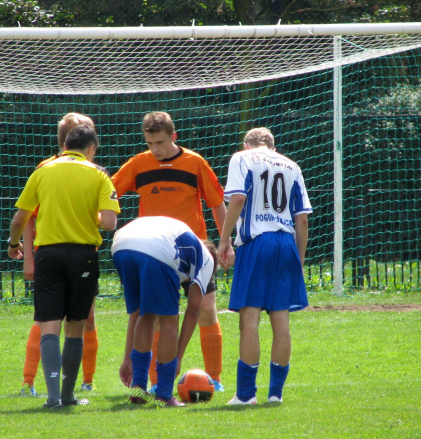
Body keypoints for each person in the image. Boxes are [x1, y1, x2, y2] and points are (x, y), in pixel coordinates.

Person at [111, 111, 228, 393]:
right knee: (153, 316)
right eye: (150, 143)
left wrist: (226, 243)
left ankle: (214, 379)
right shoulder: (138, 164)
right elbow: (109, 193)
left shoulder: (195, 162)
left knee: (206, 311)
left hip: (193, 252)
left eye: (160, 143)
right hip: (155, 254)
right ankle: (155, 382)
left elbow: (216, 203)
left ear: (174, 137)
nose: (155, 149)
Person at [8, 124, 119, 408]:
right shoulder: (98, 175)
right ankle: (69, 395)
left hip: (47, 255)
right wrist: (87, 213)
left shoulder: (43, 170)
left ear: (65, 144)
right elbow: (109, 223)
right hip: (82, 255)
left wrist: (14, 244)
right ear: (91, 149)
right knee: (75, 327)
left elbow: (20, 218)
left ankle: (53, 397)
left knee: (49, 327)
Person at [217, 127, 312, 405]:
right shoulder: (292, 165)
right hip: (286, 243)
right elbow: (302, 219)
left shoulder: (242, 158)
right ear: (273, 145)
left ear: (247, 145)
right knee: (280, 320)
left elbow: (237, 198)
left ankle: (246, 395)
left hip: (257, 243)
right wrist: (299, 260)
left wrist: (224, 241)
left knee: (250, 319)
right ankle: (276, 394)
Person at [20, 113, 101, 397]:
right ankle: (31, 382)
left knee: (80, 317)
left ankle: (85, 381)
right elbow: (28, 217)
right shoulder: (46, 169)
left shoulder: (93, 170)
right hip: (60, 252)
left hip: (69, 254)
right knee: (49, 321)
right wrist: (29, 257)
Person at [112, 216, 217, 407]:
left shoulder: (180, 239)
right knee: (170, 318)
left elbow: (136, 313)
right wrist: (177, 359)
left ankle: (138, 388)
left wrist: (128, 358)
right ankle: (164, 395)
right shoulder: (206, 259)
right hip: (154, 250)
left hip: (120, 245)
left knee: (147, 314)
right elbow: (193, 310)